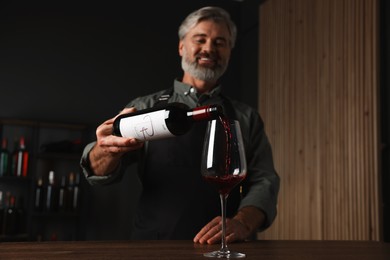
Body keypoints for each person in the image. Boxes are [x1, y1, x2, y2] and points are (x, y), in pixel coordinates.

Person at [80, 6, 280, 244]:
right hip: (154, 245)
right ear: (181, 46)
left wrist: (243, 222)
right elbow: (99, 171)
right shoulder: (145, 108)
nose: (209, 48)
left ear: (229, 51)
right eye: (200, 39)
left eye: (220, 42)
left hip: (224, 247)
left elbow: (264, 181)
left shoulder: (246, 117)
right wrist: (104, 149)